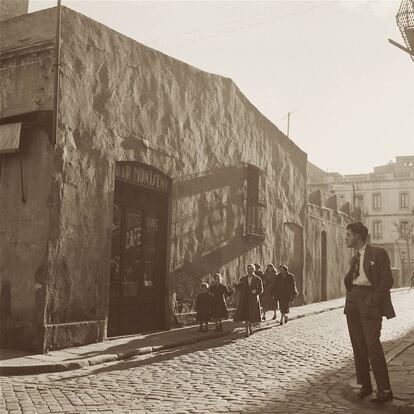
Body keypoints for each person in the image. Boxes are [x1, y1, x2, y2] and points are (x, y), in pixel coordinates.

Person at [344, 222, 395, 403]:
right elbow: (351, 279)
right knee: (358, 346)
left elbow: (387, 280)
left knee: (373, 345)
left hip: (369, 302)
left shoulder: (378, 253)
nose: (346, 237)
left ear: (357, 236)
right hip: (353, 303)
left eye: (348, 234)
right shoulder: (354, 258)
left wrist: (374, 301)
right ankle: (366, 385)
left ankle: (385, 389)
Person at [234, 263, 264, 337]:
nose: (249, 270)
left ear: (253, 270)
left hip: (253, 299)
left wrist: (256, 291)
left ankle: (250, 327)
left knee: (251, 314)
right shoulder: (243, 278)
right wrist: (235, 285)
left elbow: (261, 289)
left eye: (251, 269)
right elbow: (239, 287)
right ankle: (247, 329)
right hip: (244, 299)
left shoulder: (257, 279)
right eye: (248, 269)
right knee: (245, 314)